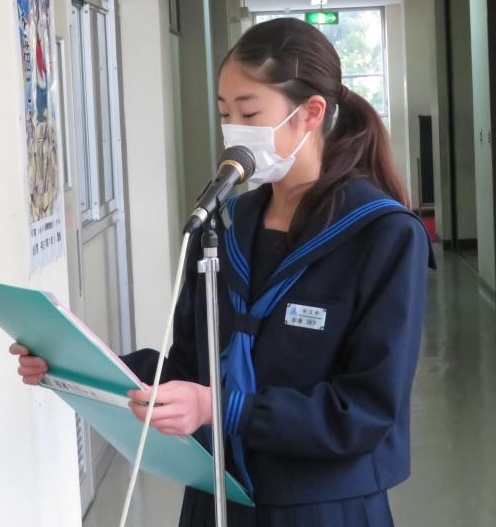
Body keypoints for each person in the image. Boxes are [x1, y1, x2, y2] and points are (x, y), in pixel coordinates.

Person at [10, 17, 435, 527]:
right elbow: (191, 366)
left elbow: (365, 411)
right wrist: (75, 363)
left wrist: (221, 408)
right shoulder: (224, 222)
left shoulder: (383, 234)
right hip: (218, 492)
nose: (234, 128)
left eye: (250, 111)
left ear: (311, 113)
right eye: (224, 112)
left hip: (323, 505)